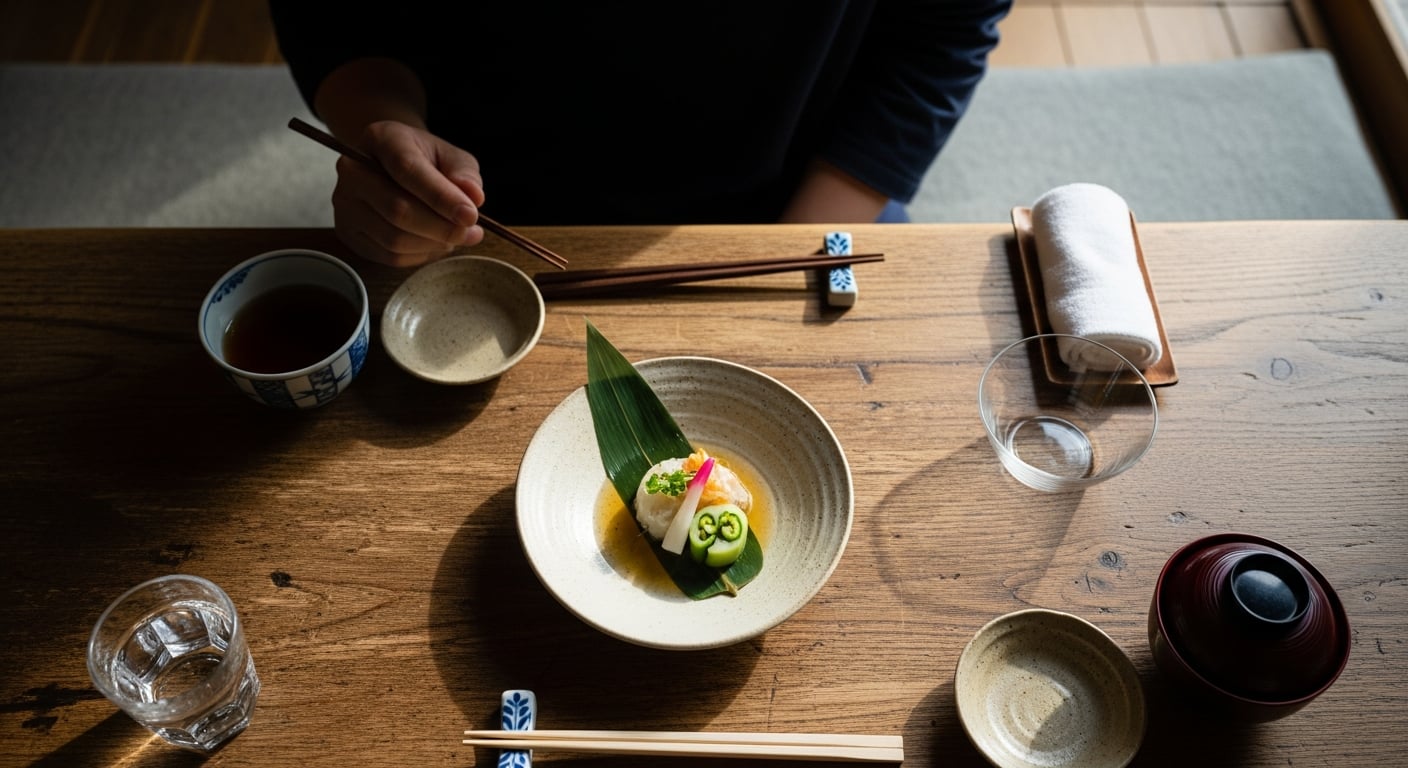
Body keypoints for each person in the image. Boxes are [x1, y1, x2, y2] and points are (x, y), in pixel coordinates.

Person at [269, 1, 1012, 267]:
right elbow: (336, 14)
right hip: (470, 208)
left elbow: (936, 35)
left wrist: (795, 246)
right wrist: (386, 123)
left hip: (792, 205)